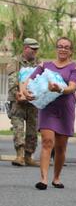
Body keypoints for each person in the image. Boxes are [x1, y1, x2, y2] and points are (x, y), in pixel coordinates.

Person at [22, 37, 76, 190]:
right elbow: (28, 80)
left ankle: (56, 177)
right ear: (56, 48)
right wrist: (25, 91)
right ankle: (43, 179)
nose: (63, 49)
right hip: (47, 108)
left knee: (61, 147)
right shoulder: (45, 65)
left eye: (66, 47)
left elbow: (72, 88)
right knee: (47, 142)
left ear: (71, 51)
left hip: (65, 109)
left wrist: (60, 89)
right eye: (60, 46)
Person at [6, 38, 41, 167]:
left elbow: (41, 80)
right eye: (33, 49)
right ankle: (19, 155)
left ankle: (28, 156)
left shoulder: (39, 63)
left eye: (37, 49)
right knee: (18, 128)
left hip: (33, 101)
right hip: (17, 101)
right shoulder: (15, 61)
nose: (35, 52)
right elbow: (12, 79)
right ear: (25, 48)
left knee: (32, 129)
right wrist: (17, 93)